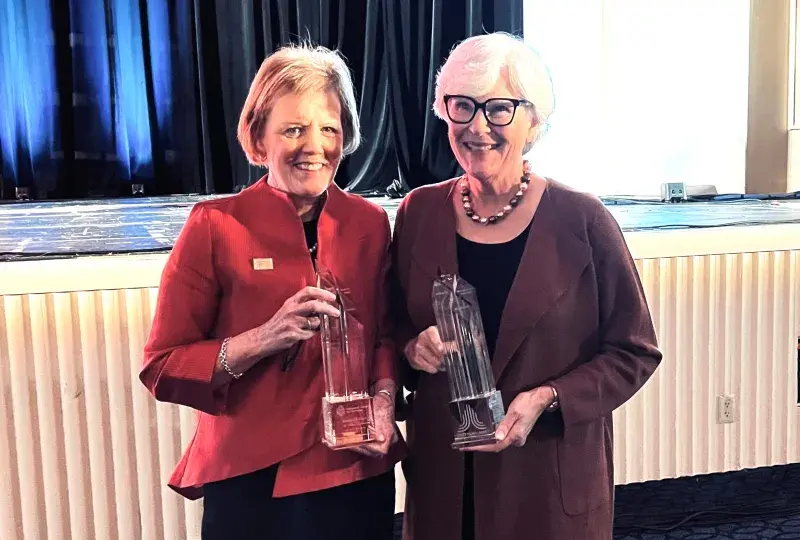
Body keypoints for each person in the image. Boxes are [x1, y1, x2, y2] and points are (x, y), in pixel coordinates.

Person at [392, 32, 663, 540]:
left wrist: (549, 396)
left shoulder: (583, 221)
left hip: (544, 480)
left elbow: (634, 352)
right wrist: (412, 345)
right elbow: (392, 327)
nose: (477, 127)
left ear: (534, 122)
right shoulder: (417, 212)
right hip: (443, 482)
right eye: (462, 106)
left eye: (499, 109)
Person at [140, 43, 405, 540]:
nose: (316, 145)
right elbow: (162, 364)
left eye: (329, 128)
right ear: (259, 140)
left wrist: (385, 399)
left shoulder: (369, 223)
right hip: (251, 478)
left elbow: (385, 336)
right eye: (293, 129)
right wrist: (264, 337)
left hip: (354, 469)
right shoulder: (215, 225)